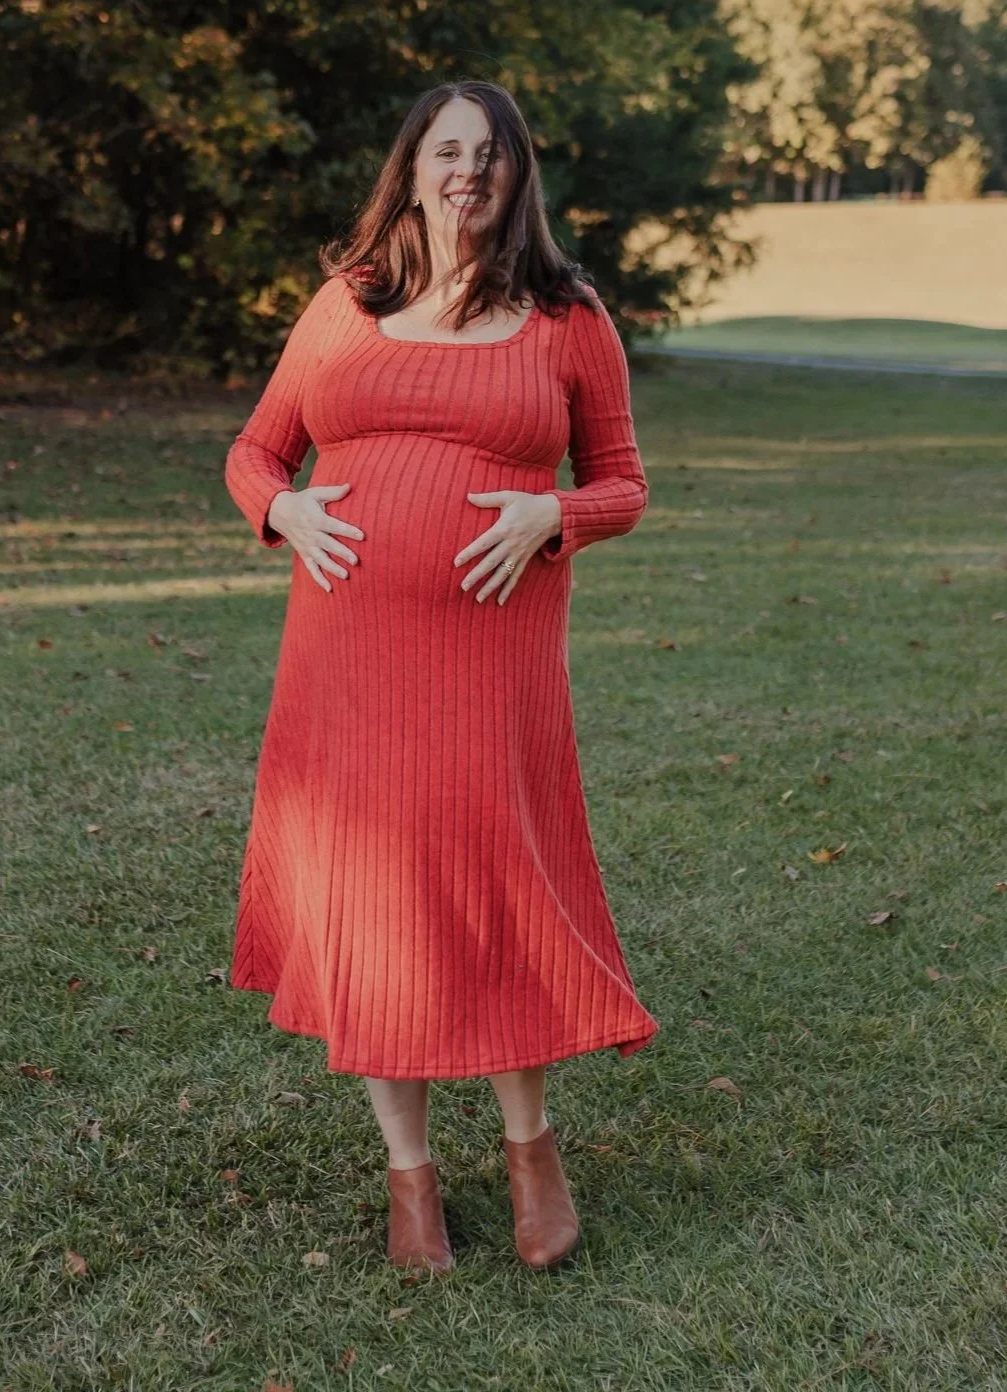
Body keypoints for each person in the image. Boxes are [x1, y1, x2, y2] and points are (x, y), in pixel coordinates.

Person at [224, 80, 659, 1273]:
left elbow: (624, 479)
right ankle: (407, 1179)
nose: (467, 171)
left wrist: (551, 513)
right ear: (411, 166)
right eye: (446, 149)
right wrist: (285, 507)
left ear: (518, 178)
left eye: (491, 154)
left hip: (488, 657)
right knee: (375, 896)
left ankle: (532, 1151)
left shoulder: (567, 316)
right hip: (347, 658)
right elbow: (256, 448)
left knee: (493, 878)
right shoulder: (344, 306)